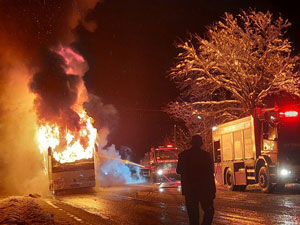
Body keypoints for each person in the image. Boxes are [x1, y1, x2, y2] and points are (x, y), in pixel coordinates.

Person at [176, 135, 216, 225]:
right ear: (201, 143)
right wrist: (213, 190)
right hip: (204, 189)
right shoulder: (205, 155)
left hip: (190, 190)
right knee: (209, 211)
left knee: (193, 217)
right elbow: (210, 174)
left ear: (191, 143)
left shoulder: (183, 155)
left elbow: (178, 171)